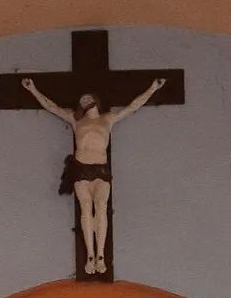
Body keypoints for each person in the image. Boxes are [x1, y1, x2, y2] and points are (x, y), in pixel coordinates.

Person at [17, 74, 164, 275]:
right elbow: (52, 107)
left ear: (96, 100)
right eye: (82, 100)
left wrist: (153, 88)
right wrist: (32, 89)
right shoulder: (76, 121)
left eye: (88, 98)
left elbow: (133, 106)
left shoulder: (108, 119)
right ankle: (90, 255)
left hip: (101, 169)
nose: (85, 100)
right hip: (81, 169)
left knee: (101, 207)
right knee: (86, 207)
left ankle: (101, 254)